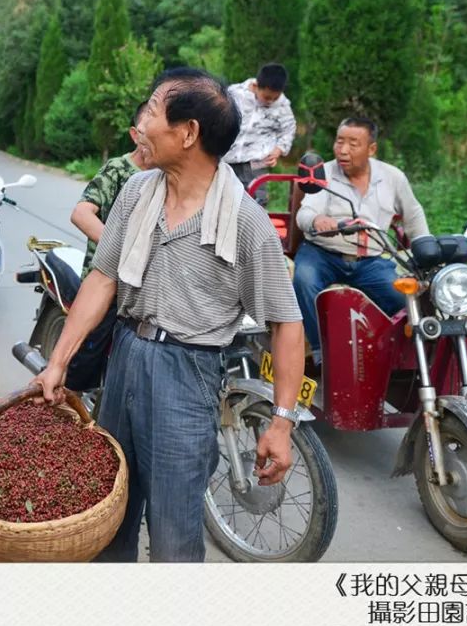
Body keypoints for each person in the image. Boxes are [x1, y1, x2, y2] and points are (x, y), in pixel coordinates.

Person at [34, 67, 305, 562]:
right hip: (126, 357)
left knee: (174, 533)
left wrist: (282, 424)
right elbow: (103, 277)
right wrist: (59, 363)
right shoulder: (137, 192)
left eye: (153, 111)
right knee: (105, 511)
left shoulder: (246, 223)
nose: (142, 123)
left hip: (188, 375)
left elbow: (286, 324)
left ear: (188, 133)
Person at [292, 116, 430, 366]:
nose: (343, 150)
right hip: (322, 254)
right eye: (339, 141)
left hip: (370, 261)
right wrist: (319, 220)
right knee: (304, 280)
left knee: (403, 299)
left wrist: (425, 247)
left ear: (372, 149)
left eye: (353, 144)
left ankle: (390, 356)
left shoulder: (392, 177)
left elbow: (414, 214)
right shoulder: (325, 174)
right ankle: (322, 354)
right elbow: (305, 213)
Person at [64, 102, 151, 392]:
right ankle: (70, 404)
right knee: (87, 355)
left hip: (144, 283)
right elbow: (81, 213)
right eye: (145, 128)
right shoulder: (118, 169)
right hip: (106, 276)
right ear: (134, 134)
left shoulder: (167, 176)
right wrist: (123, 250)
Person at [221, 62, 296, 187]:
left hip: (256, 163)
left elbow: (289, 129)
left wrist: (279, 150)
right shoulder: (234, 94)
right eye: (267, 97)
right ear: (256, 86)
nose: (271, 101)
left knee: (255, 197)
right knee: (224, 195)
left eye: (275, 98)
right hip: (227, 158)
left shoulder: (283, 107)